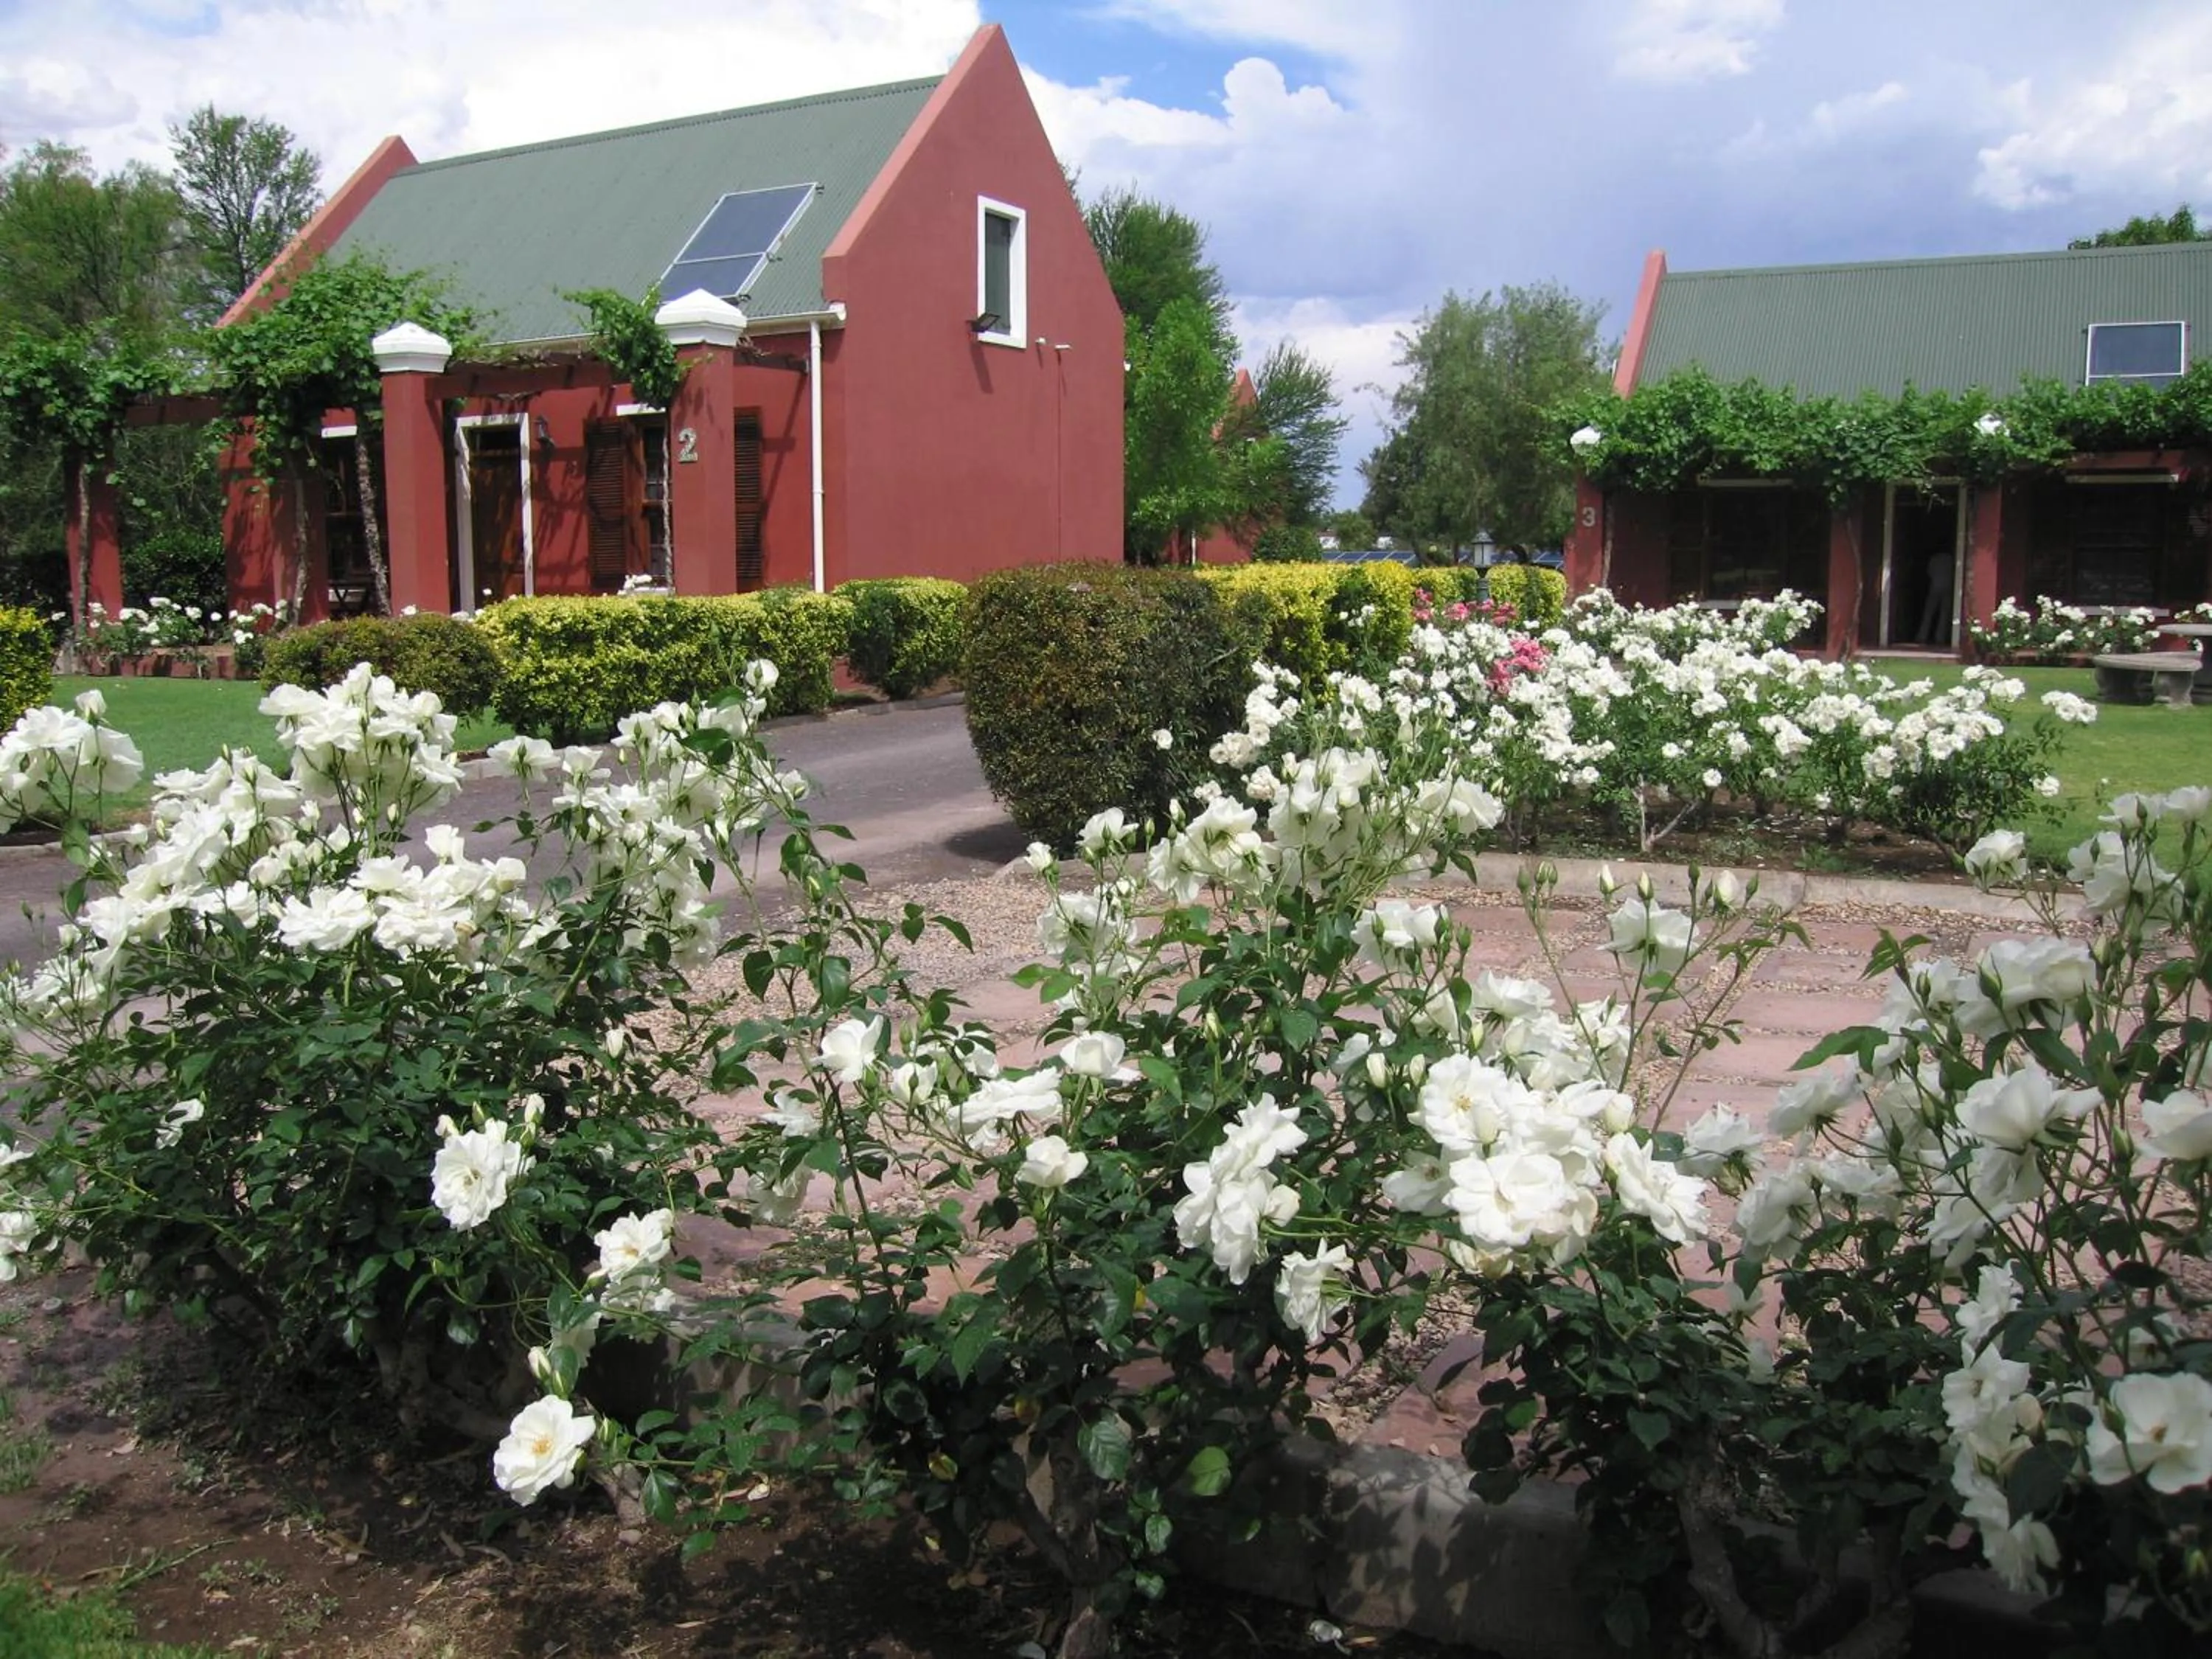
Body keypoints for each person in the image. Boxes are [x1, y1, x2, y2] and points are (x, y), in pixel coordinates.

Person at [1918, 546, 1955, 646]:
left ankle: (1922, 636)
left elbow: (1929, 572)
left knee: (1929, 612)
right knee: (1944, 613)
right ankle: (1940, 637)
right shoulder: (1950, 559)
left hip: (1935, 586)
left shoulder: (1934, 558)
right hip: (1948, 586)